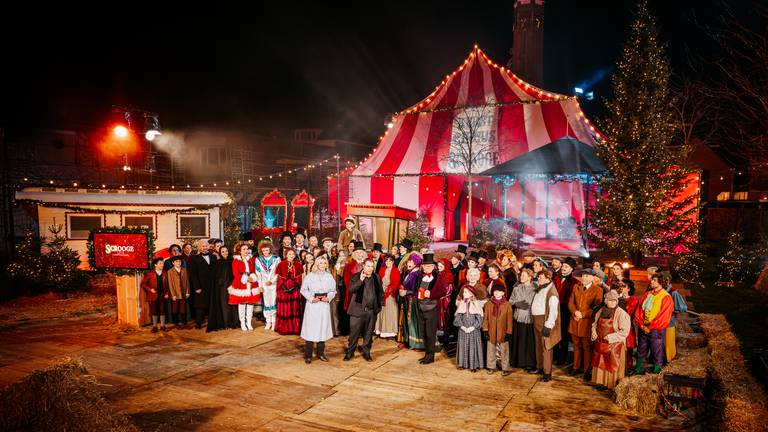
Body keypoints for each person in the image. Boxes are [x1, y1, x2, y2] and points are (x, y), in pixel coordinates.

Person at [344, 258, 384, 361]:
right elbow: (351, 289)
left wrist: (378, 307)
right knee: (354, 334)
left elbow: (380, 292)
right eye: (368, 266)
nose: (370, 268)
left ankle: (366, 352)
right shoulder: (356, 276)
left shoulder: (377, 277)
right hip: (357, 311)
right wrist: (360, 280)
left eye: (372, 266)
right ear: (363, 266)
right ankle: (350, 352)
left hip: (371, 311)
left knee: (368, 334)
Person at [591, 290, 631, 390]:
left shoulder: (622, 314)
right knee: (600, 364)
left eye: (614, 300)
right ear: (605, 301)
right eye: (610, 300)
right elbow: (594, 324)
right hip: (600, 343)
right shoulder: (601, 311)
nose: (612, 302)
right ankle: (601, 383)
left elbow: (624, 332)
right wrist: (594, 332)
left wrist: (610, 337)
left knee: (611, 366)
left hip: (615, 345)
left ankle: (611, 385)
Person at [568, 268, 604, 381]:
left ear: (593, 278)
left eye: (587, 276)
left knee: (587, 348)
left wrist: (582, 314)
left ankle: (587, 370)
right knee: (576, 346)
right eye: (583, 275)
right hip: (575, 321)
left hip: (586, 323)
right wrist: (575, 312)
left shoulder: (597, 290)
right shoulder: (576, 287)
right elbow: (570, 302)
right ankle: (576, 367)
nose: (584, 278)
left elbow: (596, 308)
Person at [634, 273, 673, 374]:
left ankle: (656, 374)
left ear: (661, 282)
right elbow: (639, 309)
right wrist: (641, 324)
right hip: (644, 327)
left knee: (657, 351)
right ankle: (637, 370)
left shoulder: (666, 297)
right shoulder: (648, 294)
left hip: (656, 329)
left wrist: (650, 327)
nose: (651, 281)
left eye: (654, 280)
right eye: (652, 279)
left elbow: (663, 317)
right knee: (641, 348)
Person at [300, 255, 336, 363]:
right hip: (313, 305)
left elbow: (333, 290)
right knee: (311, 330)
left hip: (323, 305)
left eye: (324, 263)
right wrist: (311, 298)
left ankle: (321, 353)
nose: (322, 265)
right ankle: (308, 355)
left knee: (322, 329)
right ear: (316, 264)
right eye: (320, 263)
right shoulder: (310, 276)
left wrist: (328, 297)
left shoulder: (329, 276)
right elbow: (303, 289)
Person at [417, 252, 449, 365]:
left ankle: (430, 357)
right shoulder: (420, 276)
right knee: (424, 333)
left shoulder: (438, 277)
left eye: (430, 266)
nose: (427, 268)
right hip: (421, 307)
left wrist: (430, 294)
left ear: (433, 267)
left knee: (430, 334)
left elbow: (443, 292)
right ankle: (427, 354)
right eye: (425, 266)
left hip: (432, 308)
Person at [531, 269, 561, 382]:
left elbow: (553, 311)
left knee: (546, 347)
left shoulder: (552, 292)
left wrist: (548, 326)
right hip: (537, 320)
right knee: (538, 345)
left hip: (544, 321)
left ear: (548, 278)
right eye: (538, 277)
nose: (538, 279)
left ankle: (547, 372)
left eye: (541, 277)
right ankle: (540, 367)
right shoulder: (542, 287)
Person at [228, 242, 260, 331]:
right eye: (244, 249)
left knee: (250, 304)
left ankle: (249, 322)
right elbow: (236, 274)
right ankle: (242, 323)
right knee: (242, 304)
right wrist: (246, 279)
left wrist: (252, 278)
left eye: (247, 249)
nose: (246, 251)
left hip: (251, 283)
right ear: (240, 251)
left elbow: (254, 270)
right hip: (241, 283)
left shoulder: (252, 259)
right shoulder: (236, 260)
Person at [454, 276, 484, 372]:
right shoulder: (462, 303)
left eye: (466, 292)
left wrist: (473, 327)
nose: (464, 294)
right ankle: (462, 363)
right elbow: (457, 317)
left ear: (471, 294)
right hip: (463, 330)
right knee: (463, 346)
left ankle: (473, 365)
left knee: (473, 346)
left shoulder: (476, 304)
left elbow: (479, 318)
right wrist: (462, 326)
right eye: (464, 292)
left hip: (473, 330)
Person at [509, 268, 537, 372]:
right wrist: (516, 303)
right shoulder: (516, 288)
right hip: (518, 317)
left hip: (529, 318)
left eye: (524, 276)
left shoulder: (535, 288)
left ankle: (528, 363)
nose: (521, 277)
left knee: (528, 342)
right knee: (518, 340)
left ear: (530, 277)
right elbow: (510, 300)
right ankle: (516, 361)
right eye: (521, 276)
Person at [483, 284, 513, 375]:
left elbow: (509, 319)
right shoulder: (488, 304)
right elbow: (486, 318)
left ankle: (505, 367)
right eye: (495, 291)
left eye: (499, 291)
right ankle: (491, 366)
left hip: (503, 330)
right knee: (491, 348)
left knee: (504, 349)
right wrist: (485, 329)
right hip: (491, 329)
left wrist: (509, 332)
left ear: (503, 293)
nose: (496, 293)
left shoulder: (507, 304)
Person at [207, 245, 238, 332]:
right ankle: (225, 323)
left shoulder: (233, 262)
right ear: (220, 253)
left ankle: (234, 322)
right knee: (224, 306)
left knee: (233, 305)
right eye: (223, 252)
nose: (225, 253)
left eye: (226, 251)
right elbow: (214, 277)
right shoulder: (217, 263)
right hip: (222, 288)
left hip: (232, 287)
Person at [553, 257, 577, 366]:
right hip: (554, 310)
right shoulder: (556, 278)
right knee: (553, 333)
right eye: (563, 266)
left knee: (563, 336)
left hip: (565, 312)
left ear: (571, 269)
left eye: (566, 267)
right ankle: (553, 356)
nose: (563, 268)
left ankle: (561, 359)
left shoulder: (574, 282)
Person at [188, 239, 217, 329]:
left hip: (212, 285)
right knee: (200, 305)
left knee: (212, 304)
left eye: (206, 246)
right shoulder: (194, 258)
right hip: (201, 285)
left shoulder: (213, 257)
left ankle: (212, 322)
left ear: (208, 247)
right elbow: (193, 274)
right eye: (202, 246)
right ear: (199, 247)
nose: (204, 247)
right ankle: (198, 323)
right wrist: (197, 287)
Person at [398, 253, 425, 350]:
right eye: (409, 261)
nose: (409, 263)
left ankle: (417, 343)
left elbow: (416, 289)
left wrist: (405, 291)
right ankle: (408, 341)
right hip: (407, 300)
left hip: (412, 301)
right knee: (407, 320)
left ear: (416, 264)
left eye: (412, 262)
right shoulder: (410, 273)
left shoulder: (416, 274)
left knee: (412, 321)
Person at [275, 248, 304, 335]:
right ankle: (284, 327)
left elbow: (299, 279)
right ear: (286, 255)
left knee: (294, 308)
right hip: (283, 290)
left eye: (293, 254)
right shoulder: (281, 264)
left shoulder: (298, 265)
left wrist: (294, 287)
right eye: (289, 254)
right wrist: (284, 288)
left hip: (294, 290)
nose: (291, 256)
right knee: (285, 308)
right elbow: (279, 278)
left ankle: (294, 328)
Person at [254, 239, 281, 331]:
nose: (265, 252)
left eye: (267, 249)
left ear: (270, 249)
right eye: (263, 250)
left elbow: (278, 272)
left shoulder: (276, 259)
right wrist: (260, 286)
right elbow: (258, 274)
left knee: (273, 302)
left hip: (273, 284)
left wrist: (272, 281)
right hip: (264, 285)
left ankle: (274, 322)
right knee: (266, 303)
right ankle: (268, 321)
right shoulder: (258, 260)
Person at [663, 271, 687, 363]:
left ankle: (669, 361)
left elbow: (682, 307)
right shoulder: (660, 291)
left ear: (668, 281)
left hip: (669, 321)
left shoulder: (673, 292)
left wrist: (671, 309)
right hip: (660, 321)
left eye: (665, 280)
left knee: (669, 342)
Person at [616, 280, 640, 373]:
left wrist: (620, 300)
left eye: (624, 286)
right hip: (616, 325)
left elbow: (628, 313)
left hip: (627, 326)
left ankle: (627, 368)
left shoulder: (633, 300)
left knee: (627, 349)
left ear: (629, 289)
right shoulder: (617, 297)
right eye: (620, 286)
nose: (621, 287)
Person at [375, 254, 400, 339]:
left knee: (390, 311)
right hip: (381, 292)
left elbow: (396, 283)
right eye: (386, 261)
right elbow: (378, 280)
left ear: (393, 262)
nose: (388, 262)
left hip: (390, 294)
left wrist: (388, 291)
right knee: (381, 312)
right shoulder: (382, 270)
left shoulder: (396, 271)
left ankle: (389, 332)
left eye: (390, 261)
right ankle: (380, 330)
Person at [141, 258, 167, 333]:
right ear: (155, 264)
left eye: (162, 263)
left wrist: (167, 293)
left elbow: (167, 285)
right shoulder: (150, 273)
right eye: (160, 263)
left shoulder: (165, 273)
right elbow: (143, 284)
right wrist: (150, 290)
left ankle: (162, 326)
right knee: (154, 310)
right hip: (153, 295)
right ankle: (155, 326)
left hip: (162, 294)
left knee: (162, 310)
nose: (162, 265)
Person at [165, 255, 190, 328]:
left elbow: (187, 282)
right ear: (173, 263)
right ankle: (176, 323)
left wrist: (187, 292)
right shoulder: (170, 271)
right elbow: (170, 284)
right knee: (175, 308)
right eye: (176, 261)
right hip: (175, 293)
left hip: (183, 292)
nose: (178, 263)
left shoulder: (184, 270)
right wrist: (173, 295)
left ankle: (184, 323)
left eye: (179, 261)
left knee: (183, 308)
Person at [343, 241, 367, 312]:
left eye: (361, 252)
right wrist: (355, 288)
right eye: (357, 252)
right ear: (354, 254)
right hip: (353, 292)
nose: (359, 254)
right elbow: (347, 281)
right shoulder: (348, 266)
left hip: (365, 291)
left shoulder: (368, 264)